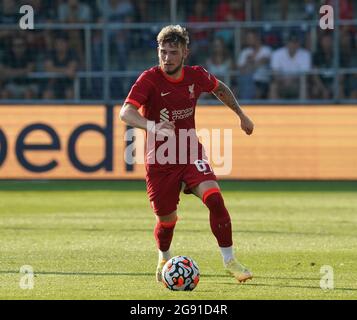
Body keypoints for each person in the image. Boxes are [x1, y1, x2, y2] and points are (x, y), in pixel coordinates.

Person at [119, 25, 254, 284]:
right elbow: (125, 112)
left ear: (185, 54)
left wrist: (241, 114)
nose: (166, 58)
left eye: (173, 52)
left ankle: (230, 260)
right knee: (166, 221)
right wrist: (152, 126)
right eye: (162, 52)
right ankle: (163, 255)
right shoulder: (149, 79)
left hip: (190, 152)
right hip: (161, 161)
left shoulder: (196, 76)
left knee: (215, 199)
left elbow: (220, 88)